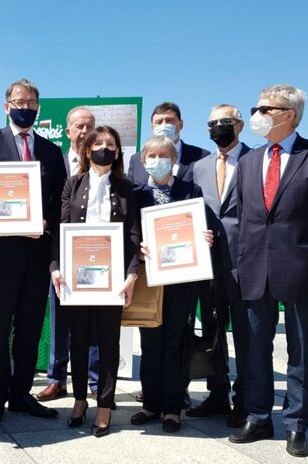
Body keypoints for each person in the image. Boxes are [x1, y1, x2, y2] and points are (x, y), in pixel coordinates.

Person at [228, 84, 308, 458]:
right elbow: (244, 216)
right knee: (255, 349)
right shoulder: (249, 162)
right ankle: (258, 416)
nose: (258, 115)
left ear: (289, 115)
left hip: (304, 270)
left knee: (300, 351)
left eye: (265, 109)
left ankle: (296, 424)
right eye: (257, 108)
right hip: (255, 269)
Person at [0, 79, 66, 426]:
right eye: (20, 101)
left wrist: (45, 223)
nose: (26, 107)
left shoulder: (51, 151)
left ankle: (21, 394)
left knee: (30, 328)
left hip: (36, 255)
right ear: (7, 106)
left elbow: (60, 202)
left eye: (32, 102)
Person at [50, 126, 140, 436]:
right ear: (87, 150)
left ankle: (104, 404)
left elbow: (133, 233)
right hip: (77, 277)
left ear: (118, 151)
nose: (104, 148)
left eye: (110, 144)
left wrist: (131, 275)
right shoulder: (72, 184)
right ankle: (79, 399)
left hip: (112, 279)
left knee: (108, 342)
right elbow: (61, 230)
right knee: (77, 339)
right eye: (98, 143)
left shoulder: (126, 187)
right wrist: (55, 267)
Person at [131, 136, 212, 433]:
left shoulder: (191, 191)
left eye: (164, 155)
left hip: (181, 279)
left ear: (174, 159)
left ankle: (172, 408)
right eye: (151, 156)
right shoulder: (136, 194)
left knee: (175, 341)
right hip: (149, 280)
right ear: (143, 161)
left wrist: (206, 237)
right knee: (150, 343)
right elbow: (130, 232)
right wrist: (137, 247)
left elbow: (202, 227)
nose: (158, 160)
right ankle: (150, 404)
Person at [189, 104, 251, 428]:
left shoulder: (255, 160)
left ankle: (245, 400)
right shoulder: (198, 167)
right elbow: (188, 209)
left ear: (240, 125)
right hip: (208, 263)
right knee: (213, 331)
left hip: (245, 263)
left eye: (224, 121)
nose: (217, 127)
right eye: (211, 123)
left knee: (245, 334)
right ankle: (216, 394)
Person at [37, 106, 100, 402]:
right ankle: (57, 378)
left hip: (96, 252)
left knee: (94, 321)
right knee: (59, 318)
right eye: (79, 126)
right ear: (67, 131)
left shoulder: (104, 165)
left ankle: (95, 381)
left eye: (89, 126)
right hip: (61, 250)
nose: (84, 131)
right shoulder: (55, 162)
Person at [127, 102, 209, 186]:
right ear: (152, 127)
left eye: (169, 121)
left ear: (181, 124)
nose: (164, 126)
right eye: (159, 122)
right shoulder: (136, 160)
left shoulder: (202, 157)